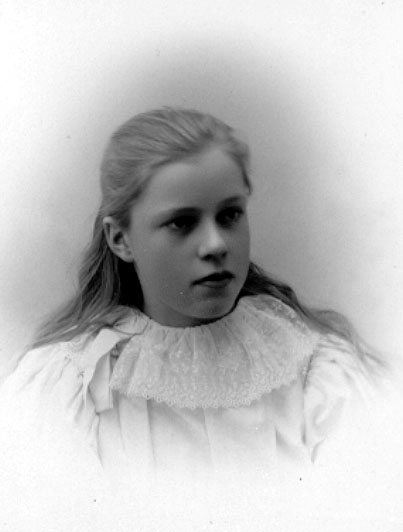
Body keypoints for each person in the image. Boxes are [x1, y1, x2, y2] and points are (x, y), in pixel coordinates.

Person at [0, 107, 391, 490]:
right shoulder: (71, 387)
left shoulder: (314, 371)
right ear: (121, 239)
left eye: (230, 215)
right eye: (181, 223)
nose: (216, 245)